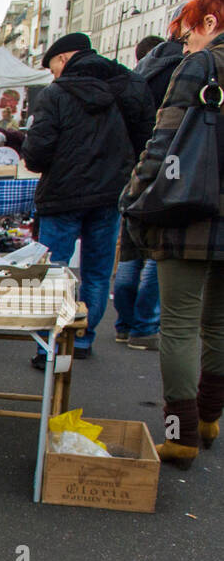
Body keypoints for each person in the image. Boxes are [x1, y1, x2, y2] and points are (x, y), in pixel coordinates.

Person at [120, 0, 224, 470]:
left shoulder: (202, 65)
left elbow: (163, 142)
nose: (183, 47)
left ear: (209, 21)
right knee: (219, 323)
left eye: (186, 35)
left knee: (179, 324)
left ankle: (181, 434)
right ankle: (208, 419)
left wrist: (135, 196)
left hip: (189, 211)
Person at [22, 32, 155, 367]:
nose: (53, 74)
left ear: (65, 59)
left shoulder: (56, 94)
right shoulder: (129, 85)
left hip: (62, 196)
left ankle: (49, 346)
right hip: (110, 195)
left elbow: (36, 154)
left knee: (55, 270)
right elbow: (147, 141)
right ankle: (81, 339)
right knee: (96, 272)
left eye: (53, 67)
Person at [114, 33, 186, 351]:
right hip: (172, 168)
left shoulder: (137, 75)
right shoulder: (189, 68)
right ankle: (143, 326)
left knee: (130, 247)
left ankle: (125, 322)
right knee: (159, 250)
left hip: (134, 168)